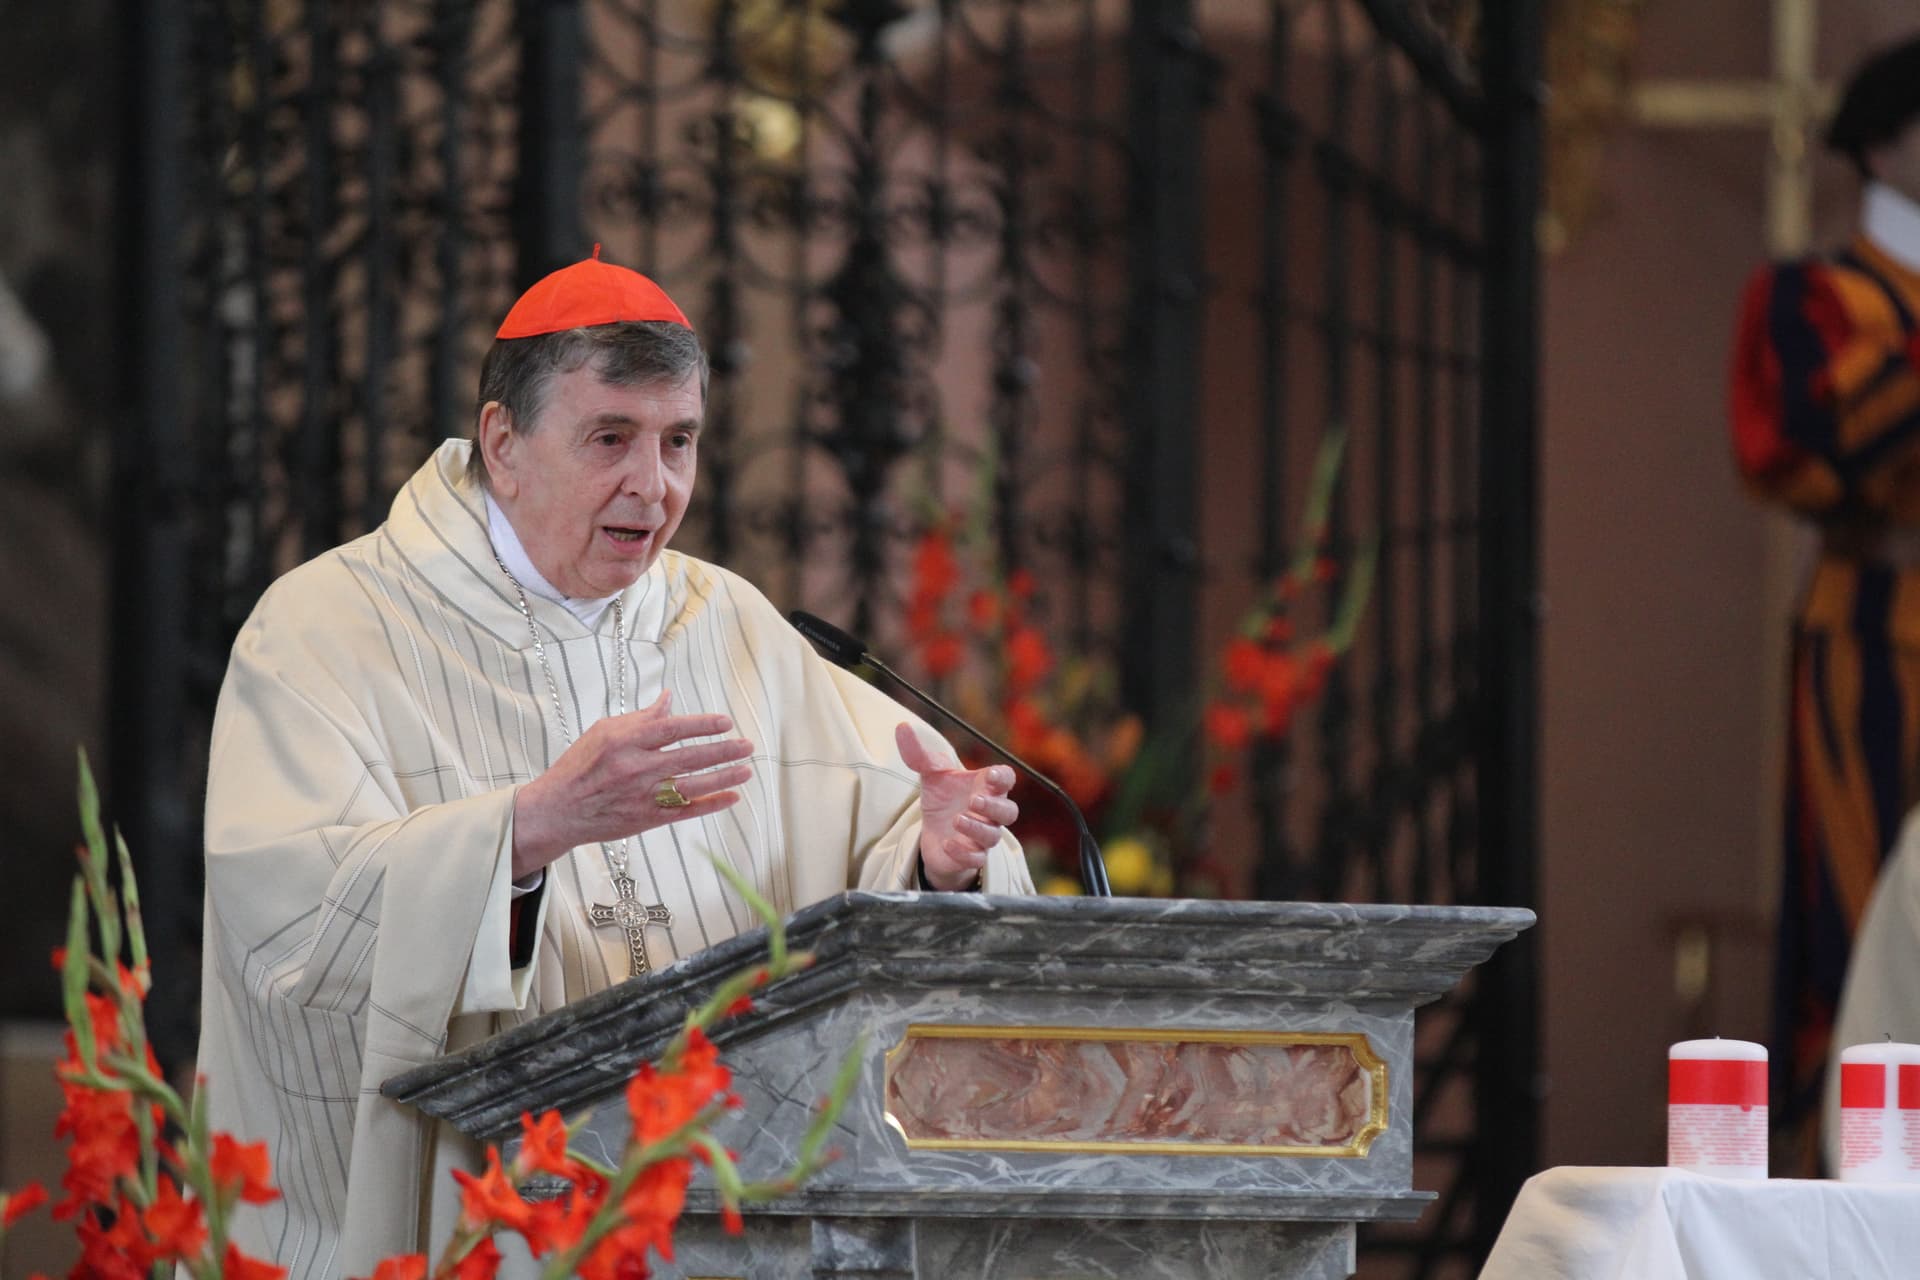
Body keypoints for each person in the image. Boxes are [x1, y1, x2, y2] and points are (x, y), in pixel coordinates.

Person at [194, 250, 1034, 1278]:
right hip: (476, 1220)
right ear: (504, 444)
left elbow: (881, 827)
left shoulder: (730, 624)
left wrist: (937, 860)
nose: (655, 483)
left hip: (712, 1217)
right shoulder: (326, 628)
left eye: (679, 441)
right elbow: (282, 917)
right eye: (611, 438)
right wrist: (526, 832)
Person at [1729, 33, 1920, 1163]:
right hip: (1874, 635)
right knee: (1861, 916)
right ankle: (1856, 1178)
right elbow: (1803, 446)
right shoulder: (1814, 295)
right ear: (1885, 146)